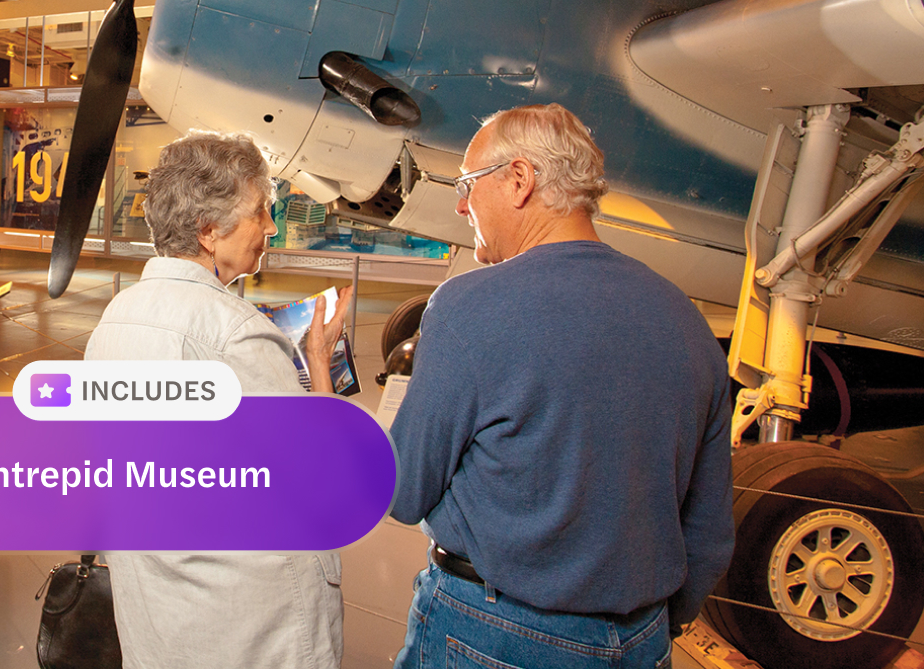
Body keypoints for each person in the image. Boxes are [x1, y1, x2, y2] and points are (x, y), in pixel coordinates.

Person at [388, 104, 734, 669]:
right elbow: (710, 530)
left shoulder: (469, 307)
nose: (460, 205)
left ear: (520, 180)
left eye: (466, 185)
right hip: (644, 640)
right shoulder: (685, 320)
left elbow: (401, 491)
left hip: (493, 633)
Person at [85, 130, 352, 669]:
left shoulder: (116, 318)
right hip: (251, 629)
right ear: (209, 230)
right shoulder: (236, 335)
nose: (271, 228)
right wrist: (320, 368)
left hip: (161, 617)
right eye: (260, 213)